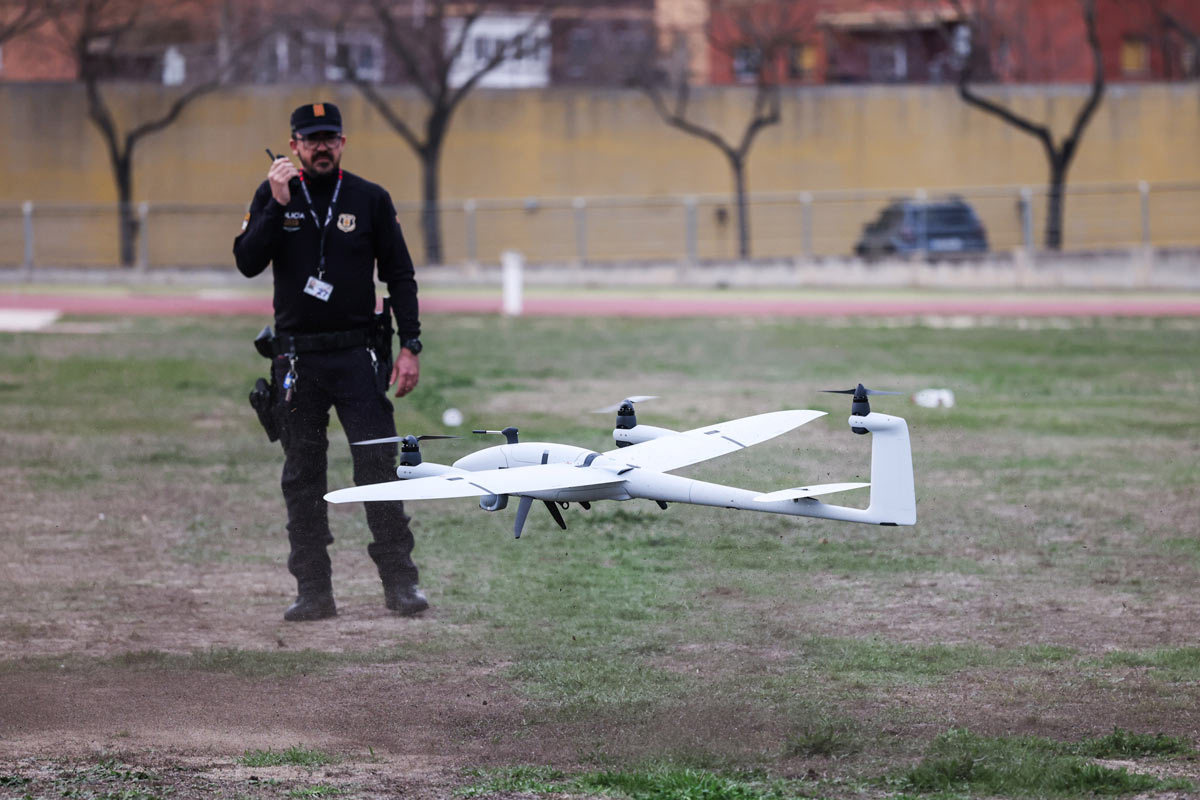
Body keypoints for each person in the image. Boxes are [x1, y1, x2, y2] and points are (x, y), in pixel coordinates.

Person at [233, 101, 428, 621]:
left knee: (377, 468)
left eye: (330, 138)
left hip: (356, 357)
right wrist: (275, 203)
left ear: (342, 143)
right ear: (293, 145)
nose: (321, 147)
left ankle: (401, 585)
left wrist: (410, 345)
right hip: (297, 363)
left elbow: (400, 276)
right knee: (303, 476)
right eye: (310, 139)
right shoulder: (275, 194)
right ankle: (314, 592)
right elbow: (247, 261)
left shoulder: (368, 198)